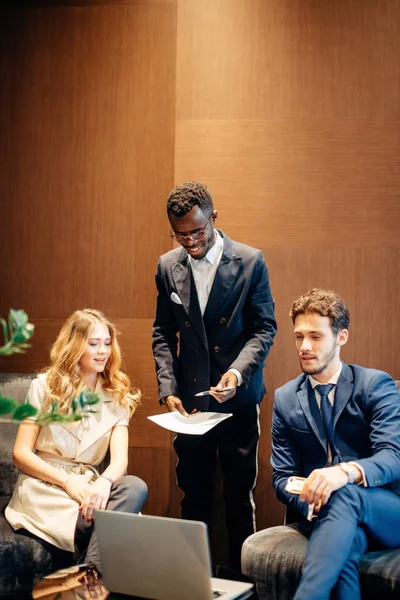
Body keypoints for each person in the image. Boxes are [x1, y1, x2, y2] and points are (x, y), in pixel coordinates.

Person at [152, 181, 277, 573]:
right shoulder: (166, 265)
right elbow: (161, 331)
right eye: (181, 234)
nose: (189, 241)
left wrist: (238, 374)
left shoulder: (252, 261)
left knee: (239, 497)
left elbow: (264, 328)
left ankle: (247, 586)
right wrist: (167, 388)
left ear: (214, 218)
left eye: (197, 231)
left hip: (237, 401)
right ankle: (193, 582)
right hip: (190, 404)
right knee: (194, 496)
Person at [271, 288, 400, 600]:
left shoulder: (374, 385)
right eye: (299, 336)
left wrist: (344, 474)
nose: (304, 346)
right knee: (344, 546)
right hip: (330, 516)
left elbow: (393, 457)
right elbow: (282, 478)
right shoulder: (285, 398)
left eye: (316, 336)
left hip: (385, 511)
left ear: (341, 337)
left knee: (342, 494)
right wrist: (311, 499)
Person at [5, 309, 148, 572]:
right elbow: (21, 454)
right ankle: (92, 576)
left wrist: (104, 482)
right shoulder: (44, 387)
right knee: (116, 524)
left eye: (107, 343)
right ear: (74, 346)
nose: (103, 351)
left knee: (134, 487)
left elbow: (120, 461)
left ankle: (87, 572)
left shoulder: (117, 395)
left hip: (90, 487)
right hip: (46, 486)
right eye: (93, 344)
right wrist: (67, 482)